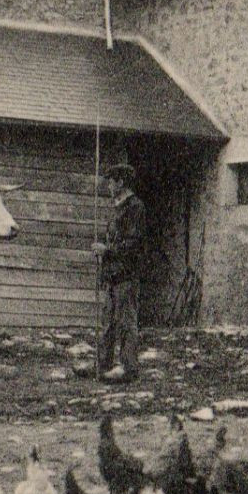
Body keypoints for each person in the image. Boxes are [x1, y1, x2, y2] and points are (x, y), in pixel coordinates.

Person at [91, 163, 145, 383]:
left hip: (126, 274)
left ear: (121, 182)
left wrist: (108, 250)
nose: (109, 186)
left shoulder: (135, 207)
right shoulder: (117, 207)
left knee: (126, 323)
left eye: (111, 181)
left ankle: (128, 368)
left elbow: (133, 243)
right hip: (112, 274)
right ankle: (102, 365)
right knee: (108, 323)